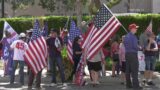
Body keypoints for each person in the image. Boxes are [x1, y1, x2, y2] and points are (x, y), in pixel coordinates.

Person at [124, 23, 143, 90]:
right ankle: (136, 86)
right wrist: (140, 47)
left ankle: (128, 84)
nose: (136, 29)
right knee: (134, 71)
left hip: (127, 54)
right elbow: (135, 46)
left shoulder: (126, 36)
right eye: (135, 28)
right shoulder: (133, 37)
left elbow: (126, 45)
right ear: (132, 29)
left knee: (128, 70)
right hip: (133, 54)